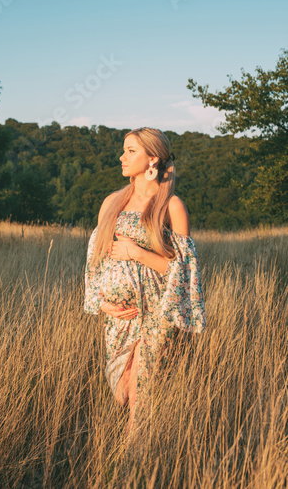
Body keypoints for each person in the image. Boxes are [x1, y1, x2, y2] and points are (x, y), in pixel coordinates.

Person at [84, 127, 206, 436]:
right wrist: (102, 302)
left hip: (157, 313)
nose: (122, 157)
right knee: (122, 391)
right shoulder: (112, 202)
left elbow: (182, 269)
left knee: (141, 391)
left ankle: (134, 465)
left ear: (152, 159)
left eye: (130, 151)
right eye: (124, 150)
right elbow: (95, 261)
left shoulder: (171, 205)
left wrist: (136, 252)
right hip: (120, 316)